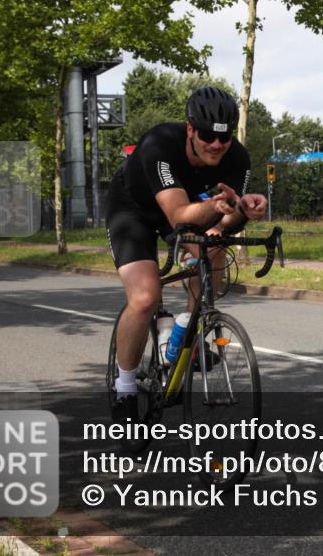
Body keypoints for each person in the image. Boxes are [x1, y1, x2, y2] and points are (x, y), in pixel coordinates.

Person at [105, 86, 267, 420]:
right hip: (133, 210)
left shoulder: (237, 157)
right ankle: (124, 387)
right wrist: (212, 207)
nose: (217, 145)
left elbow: (226, 220)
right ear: (190, 129)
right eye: (208, 135)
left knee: (215, 248)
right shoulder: (160, 143)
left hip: (187, 208)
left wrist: (244, 210)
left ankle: (189, 331)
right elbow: (179, 214)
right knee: (146, 297)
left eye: (225, 137)